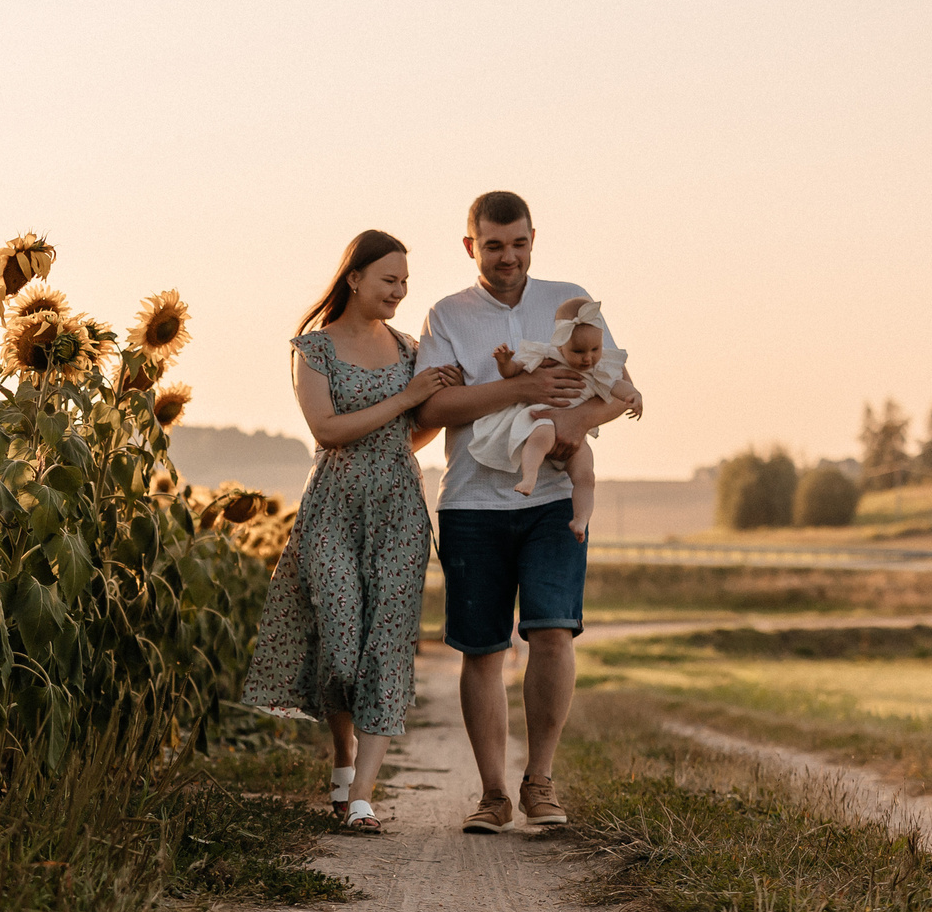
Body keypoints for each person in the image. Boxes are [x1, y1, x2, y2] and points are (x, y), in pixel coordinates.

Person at [414, 193, 636, 834]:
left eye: (518, 244)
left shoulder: (571, 300)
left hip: (555, 499)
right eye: (493, 245)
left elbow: (613, 386)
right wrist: (519, 389)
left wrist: (571, 419)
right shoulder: (447, 315)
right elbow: (431, 412)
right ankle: (491, 794)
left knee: (552, 630)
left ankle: (540, 782)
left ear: (534, 238)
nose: (507, 257)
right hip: (472, 501)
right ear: (470, 247)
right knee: (481, 649)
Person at [239, 230, 461, 832]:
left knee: (385, 648)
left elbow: (415, 432)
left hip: (399, 513)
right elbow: (328, 430)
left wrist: (415, 406)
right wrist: (406, 397)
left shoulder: (411, 347)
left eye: (405, 282)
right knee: (340, 647)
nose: (400, 291)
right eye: (389, 280)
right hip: (333, 509)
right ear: (355, 278)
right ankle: (343, 758)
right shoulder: (313, 351)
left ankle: (361, 797)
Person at [470, 296, 643, 538]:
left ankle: (580, 520)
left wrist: (633, 395)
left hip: (577, 435)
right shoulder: (547, 356)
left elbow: (617, 386)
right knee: (541, 435)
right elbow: (513, 372)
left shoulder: (599, 368)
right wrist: (505, 362)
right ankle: (529, 476)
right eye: (579, 351)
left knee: (585, 476)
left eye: (595, 349)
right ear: (560, 345)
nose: (588, 358)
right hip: (545, 418)